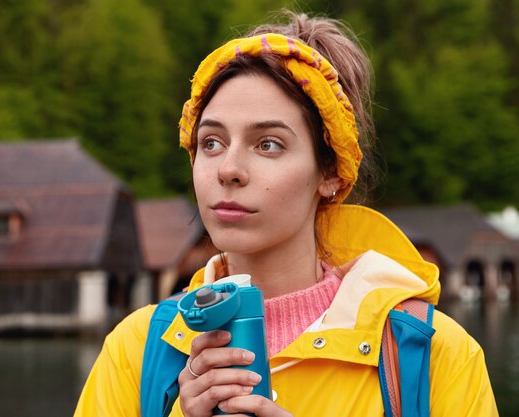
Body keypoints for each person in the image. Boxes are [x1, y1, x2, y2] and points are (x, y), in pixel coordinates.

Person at [74, 11, 498, 417]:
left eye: (268, 145)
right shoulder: (138, 350)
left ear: (330, 171)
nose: (228, 170)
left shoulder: (434, 356)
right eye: (211, 143)